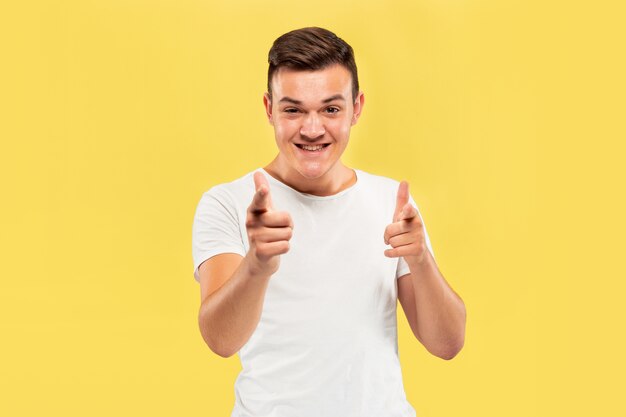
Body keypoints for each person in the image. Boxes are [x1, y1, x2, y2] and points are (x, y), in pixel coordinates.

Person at [192, 26, 466, 417]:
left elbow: (448, 344)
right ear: (269, 109)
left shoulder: (392, 203)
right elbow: (220, 340)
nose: (312, 128)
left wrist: (421, 259)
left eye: (330, 108)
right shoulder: (227, 203)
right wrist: (257, 265)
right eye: (293, 109)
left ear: (357, 108)